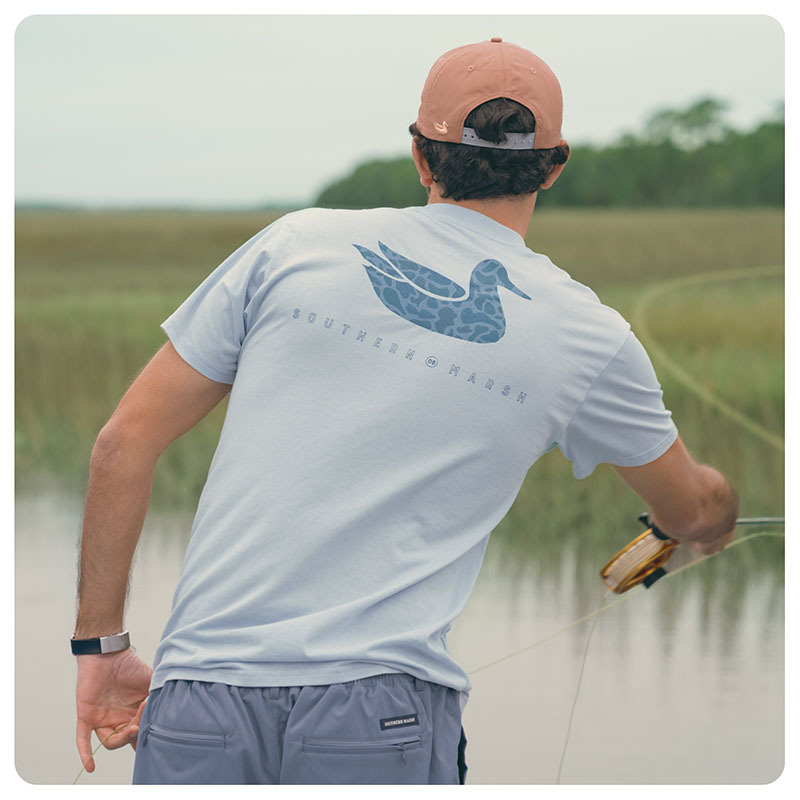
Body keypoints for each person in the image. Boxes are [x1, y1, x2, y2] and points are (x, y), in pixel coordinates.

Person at [72, 38, 739, 785]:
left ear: (422, 156)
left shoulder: (293, 245)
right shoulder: (588, 334)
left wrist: (99, 649)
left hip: (197, 704)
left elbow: (120, 444)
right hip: (381, 717)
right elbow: (689, 508)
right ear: (554, 166)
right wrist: (714, 516)